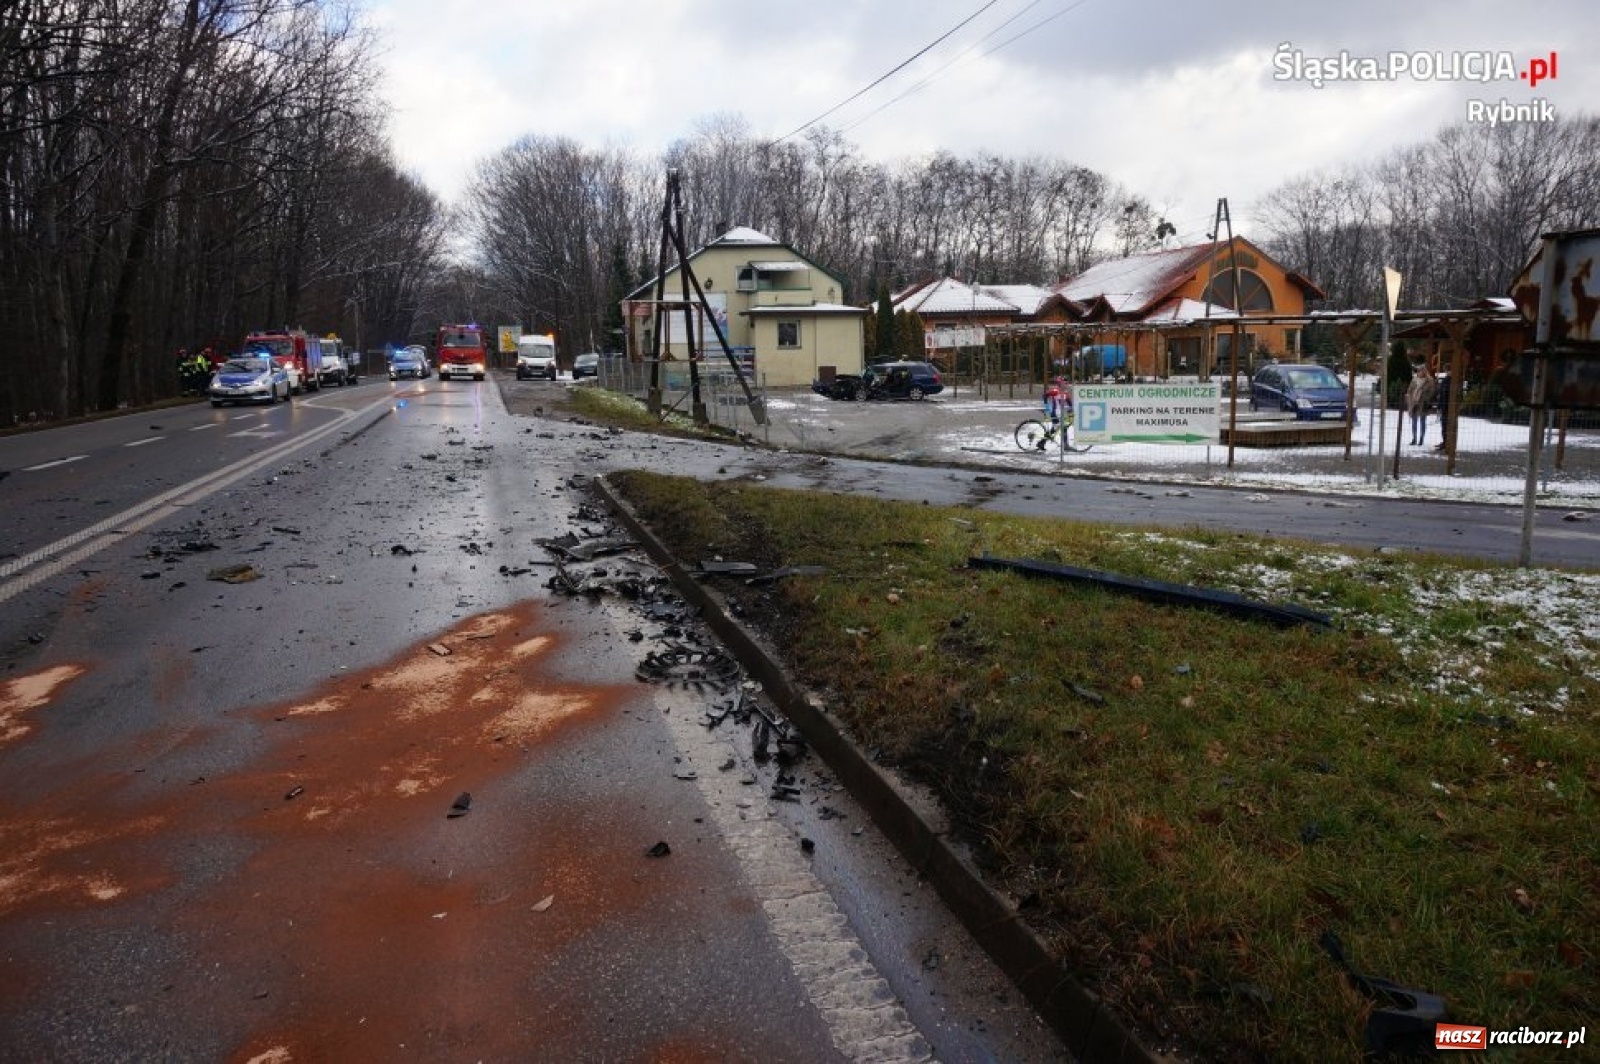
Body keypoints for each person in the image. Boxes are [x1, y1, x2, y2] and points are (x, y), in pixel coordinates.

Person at [1404, 362, 1437, 446]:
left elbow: (1432, 392)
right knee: (1414, 422)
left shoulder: (1429, 380)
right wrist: (1410, 397)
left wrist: (1425, 398)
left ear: (1425, 371)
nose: (1419, 372)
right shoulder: (1414, 380)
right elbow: (1410, 389)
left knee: (1422, 421)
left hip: (1423, 403)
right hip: (1414, 403)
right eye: (1418, 371)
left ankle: (1421, 439)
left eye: (1421, 371)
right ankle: (1414, 439)